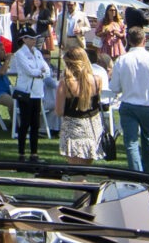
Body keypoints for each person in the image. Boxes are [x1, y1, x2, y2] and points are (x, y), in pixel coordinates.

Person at [108, 25, 149, 173]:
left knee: (131, 142)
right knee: (148, 140)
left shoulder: (122, 60)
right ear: (144, 40)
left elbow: (114, 87)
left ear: (128, 40)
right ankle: (148, 172)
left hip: (129, 104)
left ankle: (137, 173)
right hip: (148, 105)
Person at [9, 28, 54, 159]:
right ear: (24, 39)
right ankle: (21, 152)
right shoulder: (19, 54)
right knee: (25, 123)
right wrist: (39, 72)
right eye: (31, 38)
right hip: (26, 91)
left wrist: (40, 72)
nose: (34, 40)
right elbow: (29, 71)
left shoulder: (37, 52)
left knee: (35, 123)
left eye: (34, 38)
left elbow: (47, 69)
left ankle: (34, 152)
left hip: (37, 92)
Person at [58, 41, 104, 160]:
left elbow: (59, 111)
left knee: (75, 169)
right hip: (93, 126)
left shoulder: (66, 84)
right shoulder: (97, 80)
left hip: (73, 128)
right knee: (86, 168)